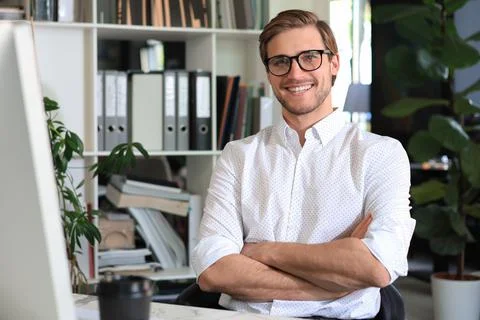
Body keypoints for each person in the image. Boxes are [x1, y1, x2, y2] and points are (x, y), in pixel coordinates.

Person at [191, 9, 415, 320]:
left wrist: (262, 250)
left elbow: (376, 266)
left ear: (333, 63)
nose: (295, 74)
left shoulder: (380, 154)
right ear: (269, 73)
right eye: (280, 62)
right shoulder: (238, 155)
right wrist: (336, 281)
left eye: (310, 57)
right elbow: (214, 270)